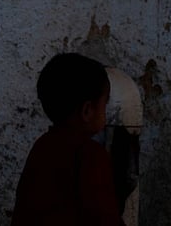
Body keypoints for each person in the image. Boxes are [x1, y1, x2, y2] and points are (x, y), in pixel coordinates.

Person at [11, 53, 123, 225]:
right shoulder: (89, 154)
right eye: (104, 104)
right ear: (87, 110)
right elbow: (104, 217)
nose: (106, 112)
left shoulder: (42, 146)